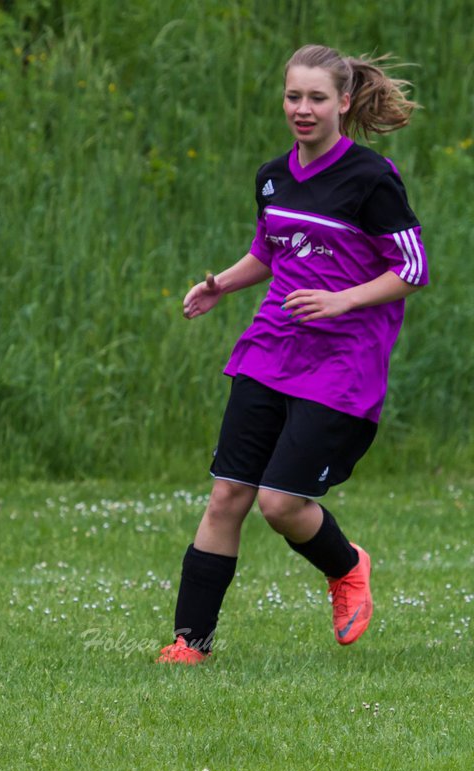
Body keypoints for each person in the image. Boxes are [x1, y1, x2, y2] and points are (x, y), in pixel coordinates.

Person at [159, 44, 428, 664]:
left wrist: (342, 301)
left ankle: (347, 567)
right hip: (269, 349)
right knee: (228, 495)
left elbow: (411, 268)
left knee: (281, 503)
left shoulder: (371, 179)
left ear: (343, 103)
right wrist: (221, 285)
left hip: (342, 365)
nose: (302, 110)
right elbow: (271, 251)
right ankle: (189, 644)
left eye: (316, 98)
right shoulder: (272, 175)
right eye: (292, 97)